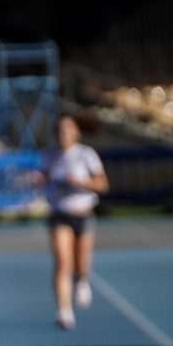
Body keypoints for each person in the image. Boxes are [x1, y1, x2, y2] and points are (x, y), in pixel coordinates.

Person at [42, 114, 109, 330]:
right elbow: (45, 176)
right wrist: (39, 179)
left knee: (81, 264)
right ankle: (64, 310)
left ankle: (82, 280)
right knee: (63, 261)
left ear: (76, 132)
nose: (64, 133)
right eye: (60, 129)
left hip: (83, 214)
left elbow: (102, 184)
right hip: (60, 214)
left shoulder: (86, 154)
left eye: (68, 129)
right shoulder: (50, 155)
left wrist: (82, 182)